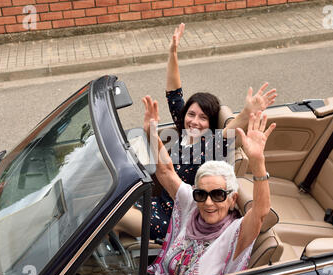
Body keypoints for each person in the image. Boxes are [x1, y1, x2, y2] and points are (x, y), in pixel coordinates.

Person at [114, 23, 277, 241]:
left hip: (171, 219)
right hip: (154, 202)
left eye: (203, 118)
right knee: (110, 207)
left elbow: (230, 130)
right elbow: (173, 92)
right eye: (191, 114)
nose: (194, 122)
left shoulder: (211, 147)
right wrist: (172, 53)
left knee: (113, 217)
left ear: (211, 126)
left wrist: (248, 112)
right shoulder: (184, 131)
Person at [142, 95, 276, 275]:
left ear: (233, 199)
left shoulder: (235, 233)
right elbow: (165, 171)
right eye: (201, 194)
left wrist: (257, 162)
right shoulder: (192, 205)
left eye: (218, 195)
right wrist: (151, 132)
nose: (208, 203)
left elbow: (261, 211)